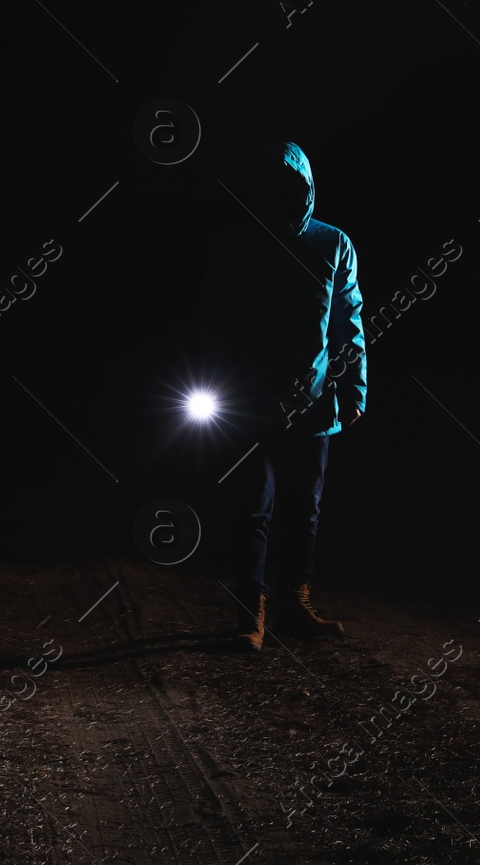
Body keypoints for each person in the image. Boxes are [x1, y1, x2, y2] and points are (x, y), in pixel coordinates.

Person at [197, 140, 366, 652]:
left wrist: (353, 389)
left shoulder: (333, 243)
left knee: (304, 508)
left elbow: (348, 320)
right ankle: (252, 614)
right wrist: (212, 387)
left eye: (291, 185)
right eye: (274, 185)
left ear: (306, 188)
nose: (282, 194)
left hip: (314, 403)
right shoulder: (234, 245)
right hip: (248, 403)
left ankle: (293, 604)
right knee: (254, 505)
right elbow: (215, 322)